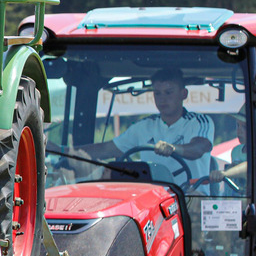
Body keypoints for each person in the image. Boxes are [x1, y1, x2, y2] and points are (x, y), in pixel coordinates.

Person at [54, 68, 214, 183]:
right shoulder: (144, 127)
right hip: (154, 201)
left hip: (190, 196)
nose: (162, 99)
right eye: (157, 93)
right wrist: (63, 151)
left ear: (183, 94)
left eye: (169, 92)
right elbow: (105, 149)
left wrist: (174, 149)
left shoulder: (199, 122)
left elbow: (200, 148)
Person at [210, 107, 248, 188]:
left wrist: (226, 173)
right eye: (237, 125)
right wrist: (230, 169)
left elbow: (249, 167)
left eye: (244, 127)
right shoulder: (236, 151)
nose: (239, 131)